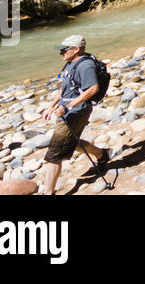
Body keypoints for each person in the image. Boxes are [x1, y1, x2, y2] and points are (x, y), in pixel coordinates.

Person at [41, 35, 109, 195]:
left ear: (76, 49)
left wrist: (68, 106)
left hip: (77, 111)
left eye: (64, 50)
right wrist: (51, 105)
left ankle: (48, 192)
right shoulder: (70, 64)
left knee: (54, 154)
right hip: (67, 111)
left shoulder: (85, 66)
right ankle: (101, 154)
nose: (61, 53)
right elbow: (64, 87)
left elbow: (93, 89)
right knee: (72, 143)